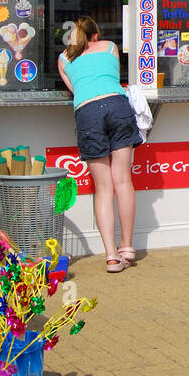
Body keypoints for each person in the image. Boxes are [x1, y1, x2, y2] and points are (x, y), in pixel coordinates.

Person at [57, 17, 143, 273]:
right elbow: (113, 75)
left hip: (88, 113)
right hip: (117, 106)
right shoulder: (109, 46)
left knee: (103, 188)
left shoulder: (63, 59)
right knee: (123, 181)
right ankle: (127, 245)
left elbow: (76, 90)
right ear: (95, 35)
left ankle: (111, 256)